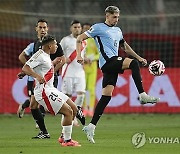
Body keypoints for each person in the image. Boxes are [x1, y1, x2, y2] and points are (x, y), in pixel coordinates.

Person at [76, 6, 160, 143]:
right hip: (108, 62)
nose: (116, 19)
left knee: (106, 96)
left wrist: (139, 57)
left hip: (112, 66)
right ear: (107, 16)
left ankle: (91, 126)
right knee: (132, 64)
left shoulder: (118, 30)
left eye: (118, 17)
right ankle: (143, 95)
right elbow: (80, 38)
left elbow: (125, 47)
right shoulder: (98, 27)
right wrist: (79, 55)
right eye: (114, 17)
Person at [22, 35, 81, 147]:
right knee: (68, 112)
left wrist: (53, 63)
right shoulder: (40, 55)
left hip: (50, 89)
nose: (57, 46)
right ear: (49, 46)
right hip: (44, 91)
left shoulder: (45, 56)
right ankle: (67, 141)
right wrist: (36, 76)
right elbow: (26, 67)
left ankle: (64, 136)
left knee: (73, 108)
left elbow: (41, 68)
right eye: (55, 44)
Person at [17, 19, 65, 138]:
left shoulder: (53, 42)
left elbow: (62, 59)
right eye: (40, 27)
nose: (42, 30)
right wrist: (26, 72)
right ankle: (44, 132)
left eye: (44, 27)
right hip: (39, 79)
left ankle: (68, 122)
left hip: (48, 79)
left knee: (45, 104)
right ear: (36, 29)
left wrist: (52, 71)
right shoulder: (35, 44)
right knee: (35, 104)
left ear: (47, 29)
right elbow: (31, 62)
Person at [60, 20, 86, 127]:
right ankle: (66, 118)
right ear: (71, 28)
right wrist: (64, 59)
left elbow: (84, 54)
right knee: (67, 97)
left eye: (79, 27)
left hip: (80, 72)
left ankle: (74, 116)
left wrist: (86, 59)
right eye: (75, 27)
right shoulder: (65, 40)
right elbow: (58, 53)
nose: (77, 29)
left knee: (81, 95)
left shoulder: (84, 41)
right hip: (68, 72)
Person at [82, 23, 99, 117]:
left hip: (92, 67)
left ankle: (91, 109)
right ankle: (85, 109)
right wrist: (83, 58)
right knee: (83, 89)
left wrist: (91, 58)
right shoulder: (80, 41)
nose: (86, 31)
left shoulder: (94, 41)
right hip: (82, 67)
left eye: (88, 29)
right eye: (85, 29)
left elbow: (99, 54)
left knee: (91, 89)